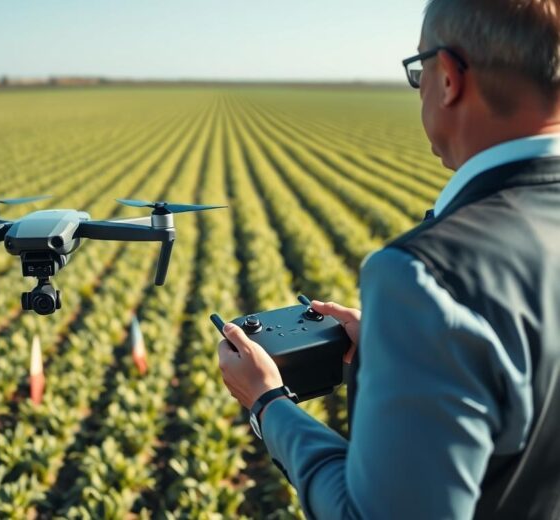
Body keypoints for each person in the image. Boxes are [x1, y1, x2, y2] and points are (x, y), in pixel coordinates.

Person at [217, 1, 560, 518]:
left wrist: (268, 403)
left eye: (419, 71)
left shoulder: (427, 279)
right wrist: (404, 347)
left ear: (448, 78)